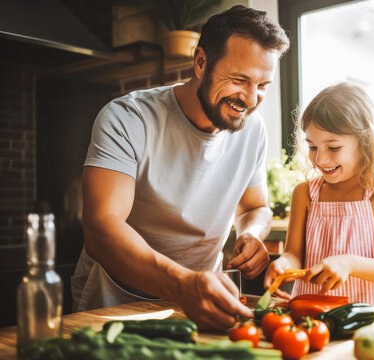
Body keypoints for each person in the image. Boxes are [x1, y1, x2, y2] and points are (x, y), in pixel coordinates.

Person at [71, 5, 290, 330]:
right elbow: (101, 230)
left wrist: (252, 234)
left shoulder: (253, 130)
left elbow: (255, 206)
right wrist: (183, 284)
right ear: (201, 61)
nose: (250, 98)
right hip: (112, 305)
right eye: (239, 80)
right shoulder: (128, 118)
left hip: (200, 302)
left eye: (263, 86)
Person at [263, 82, 374, 312]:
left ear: (366, 144)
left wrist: (350, 263)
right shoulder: (304, 194)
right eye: (312, 147)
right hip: (310, 317)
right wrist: (284, 264)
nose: (321, 159)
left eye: (333, 148)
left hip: (367, 319)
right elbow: (294, 253)